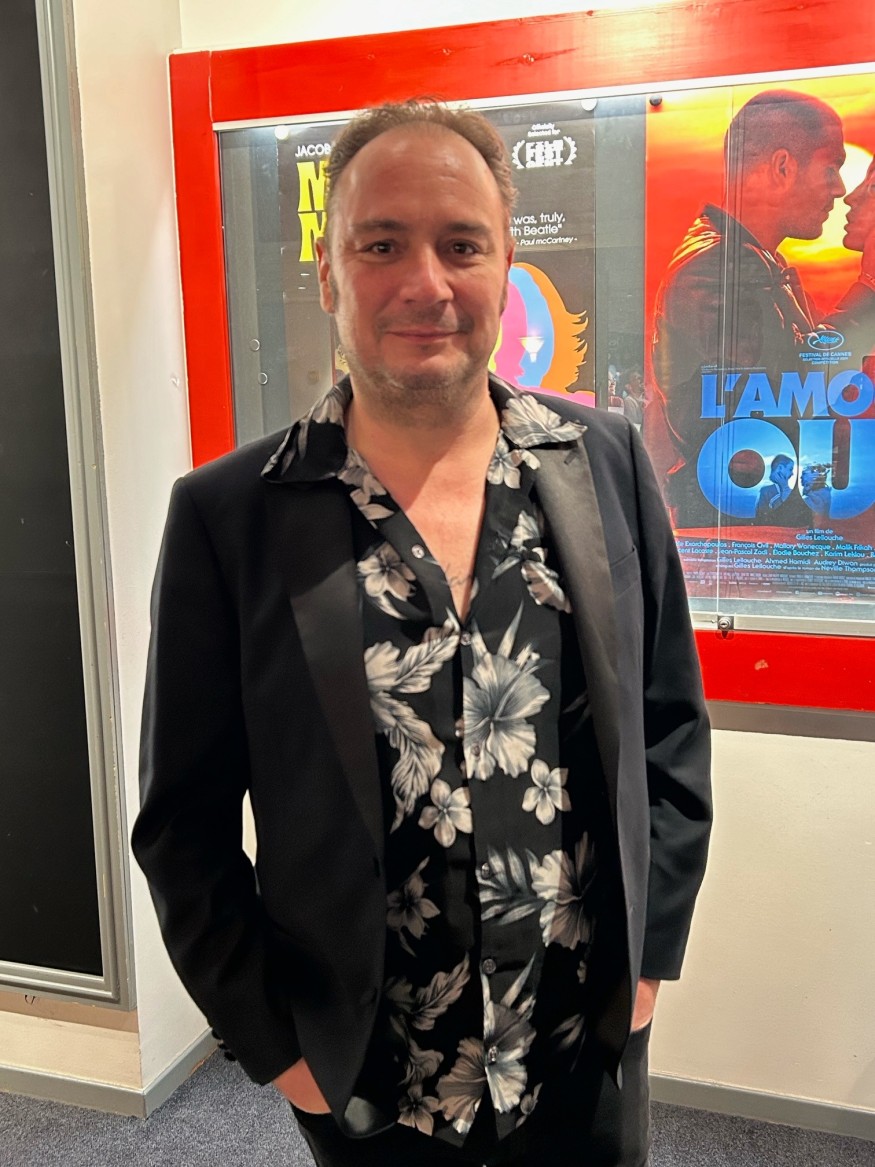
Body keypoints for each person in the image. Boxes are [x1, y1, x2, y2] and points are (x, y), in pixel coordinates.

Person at [132, 101, 712, 1167]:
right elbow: (182, 824)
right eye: (381, 244)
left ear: (505, 266)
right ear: (328, 273)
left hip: (580, 1053)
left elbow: (669, 730)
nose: (426, 283)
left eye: (461, 244)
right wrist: (275, 1047)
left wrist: (646, 964)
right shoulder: (229, 516)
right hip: (368, 1083)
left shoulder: (604, 463)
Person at [651, 90, 875, 527]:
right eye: (831, 168)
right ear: (783, 166)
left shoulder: (754, 262)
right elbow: (789, 404)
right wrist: (868, 286)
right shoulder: (716, 267)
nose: (839, 189)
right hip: (744, 537)